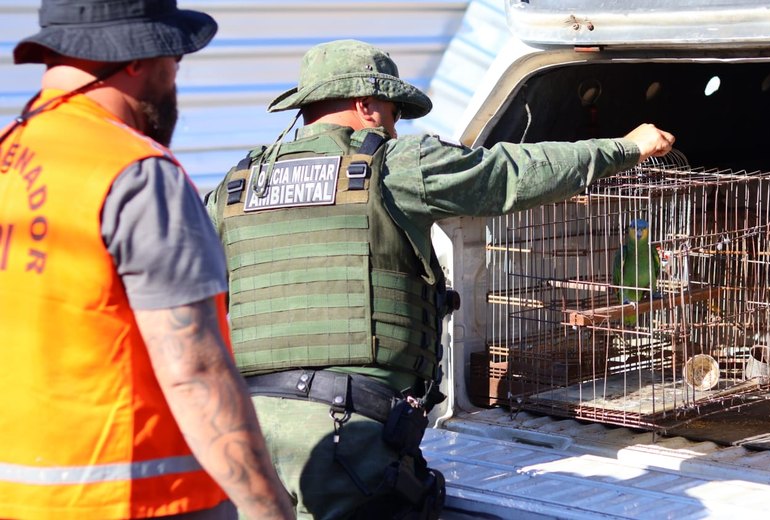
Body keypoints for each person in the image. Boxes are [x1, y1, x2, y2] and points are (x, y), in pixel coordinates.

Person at [204, 39, 674, 519]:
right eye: (391, 113)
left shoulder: (236, 187)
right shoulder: (395, 166)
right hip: (347, 433)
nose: (394, 126)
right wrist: (624, 148)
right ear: (366, 106)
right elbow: (512, 173)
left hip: (248, 436)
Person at [0, 1, 295, 519]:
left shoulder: (9, 155)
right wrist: (269, 507)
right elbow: (195, 370)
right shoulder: (134, 174)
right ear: (138, 57)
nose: (175, 77)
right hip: (139, 501)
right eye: (175, 61)